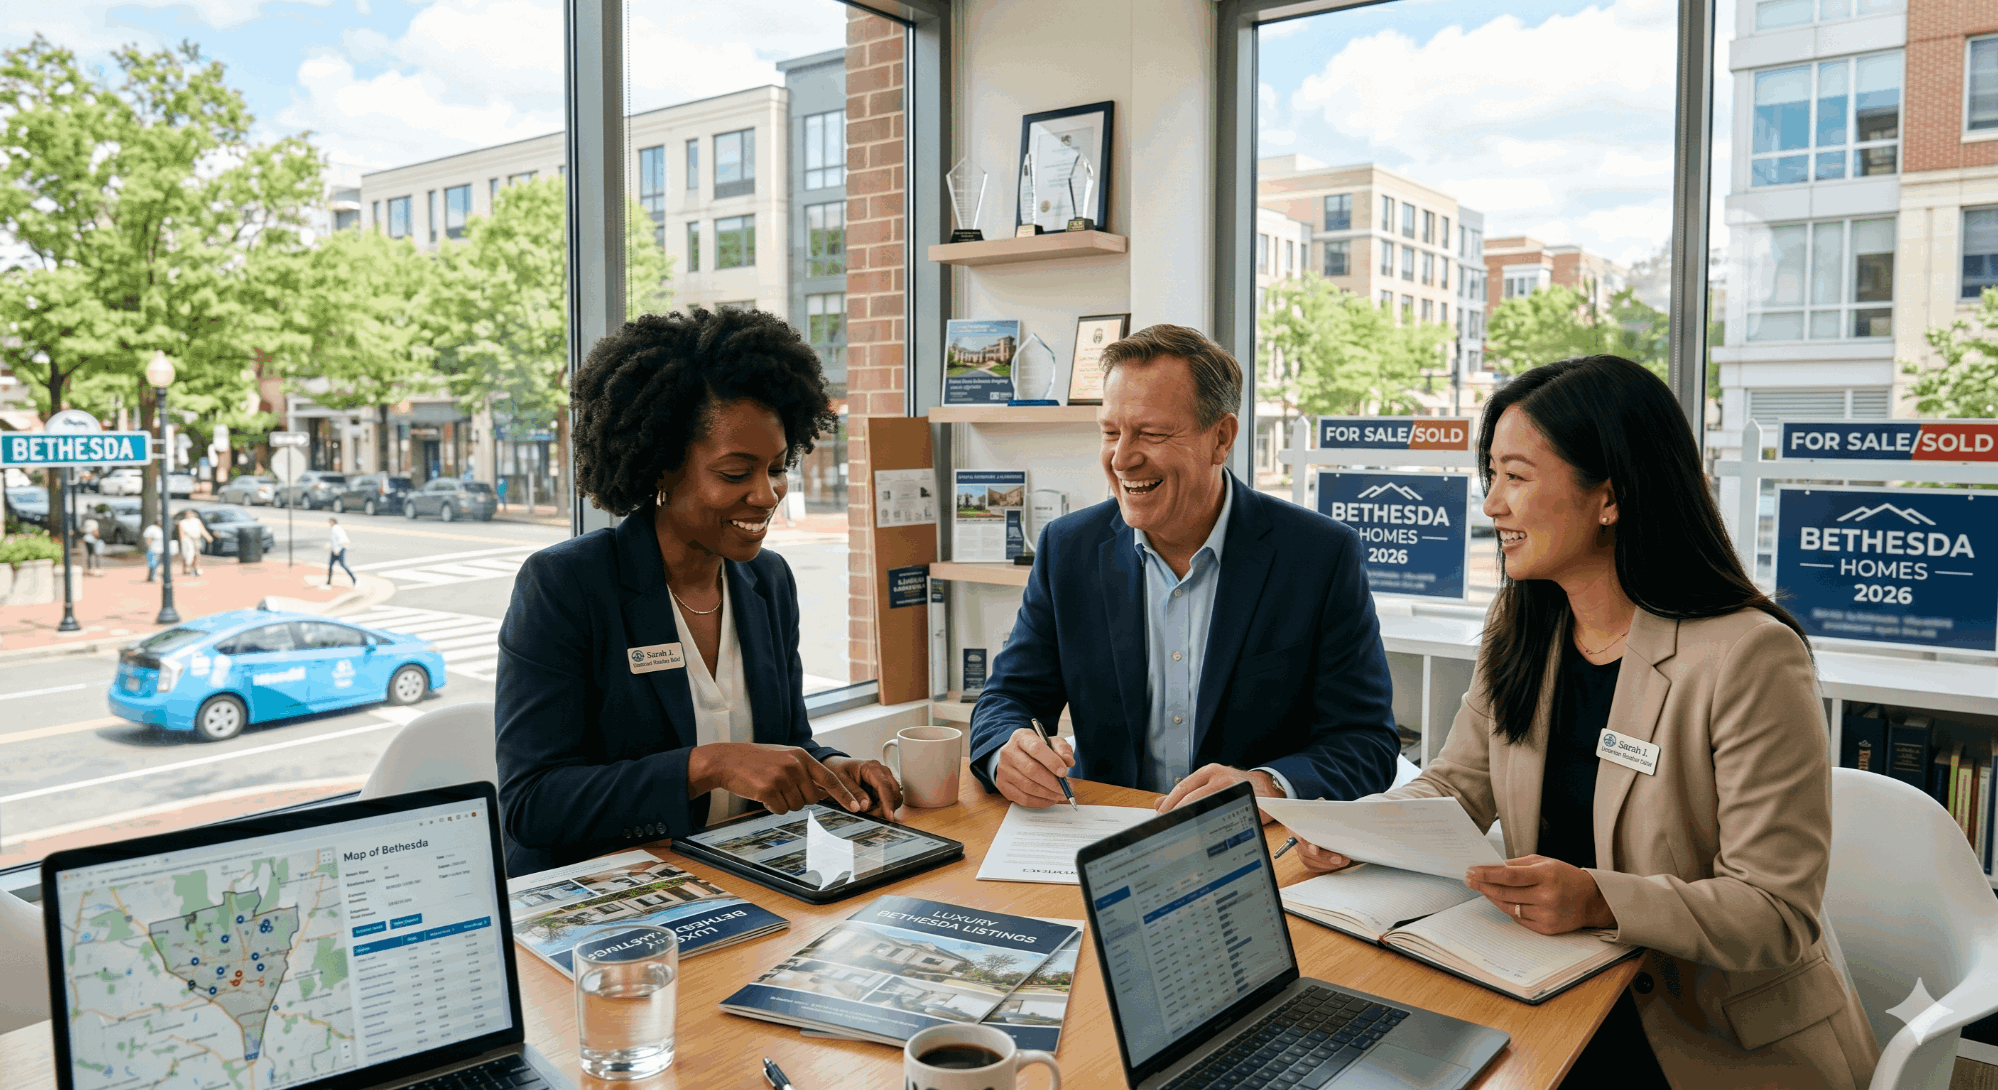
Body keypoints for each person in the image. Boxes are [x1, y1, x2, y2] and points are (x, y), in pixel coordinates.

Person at [1292, 355, 1876, 1090]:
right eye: (1492, 477)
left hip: (1709, 1040)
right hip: (1551, 989)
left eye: (1516, 476)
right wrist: (1358, 833)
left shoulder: (1750, 655)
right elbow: (1455, 785)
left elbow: (1775, 911)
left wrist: (1600, 897)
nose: (1493, 506)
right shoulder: (1524, 623)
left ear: (1609, 497)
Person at [495, 306, 903, 873]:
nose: (766, 496)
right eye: (736, 474)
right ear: (661, 467)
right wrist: (706, 766)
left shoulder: (768, 582)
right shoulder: (566, 585)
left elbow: (785, 745)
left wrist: (837, 769)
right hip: (611, 901)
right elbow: (533, 805)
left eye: (778, 469)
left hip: (740, 881)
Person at [968, 323, 1399, 815]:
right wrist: (1007, 752)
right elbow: (1007, 698)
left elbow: (1366, 742)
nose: (1122, 459)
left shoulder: (1320, 555)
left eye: (1151, 434)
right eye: (1110, 432)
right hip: (1101, 840)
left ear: (1222, 438)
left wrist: (1267, 786)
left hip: (1249, 848)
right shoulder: (1069, 548)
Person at [175, 509, 211, 576]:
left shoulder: (197, 521)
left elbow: (202, 529)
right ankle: (185, 568)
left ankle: (196, 568)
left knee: (196, 554)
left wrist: (208, 536)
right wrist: (182, 540)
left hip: (196, 538)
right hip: (187, 539)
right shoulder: (183, 522)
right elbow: (181, 533)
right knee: (187, 554)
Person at [326, 517, 355, 586]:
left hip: (339, 550)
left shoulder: (336, 529)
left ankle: (354, 579)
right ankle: (328, 582)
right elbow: (333, 539)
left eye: (330, 522)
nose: (329, 524)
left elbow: (341, 540)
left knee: (342, 565)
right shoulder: (335, 529)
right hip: (335, 549)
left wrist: (336, 550)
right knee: (330, 566)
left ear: (333, 522)